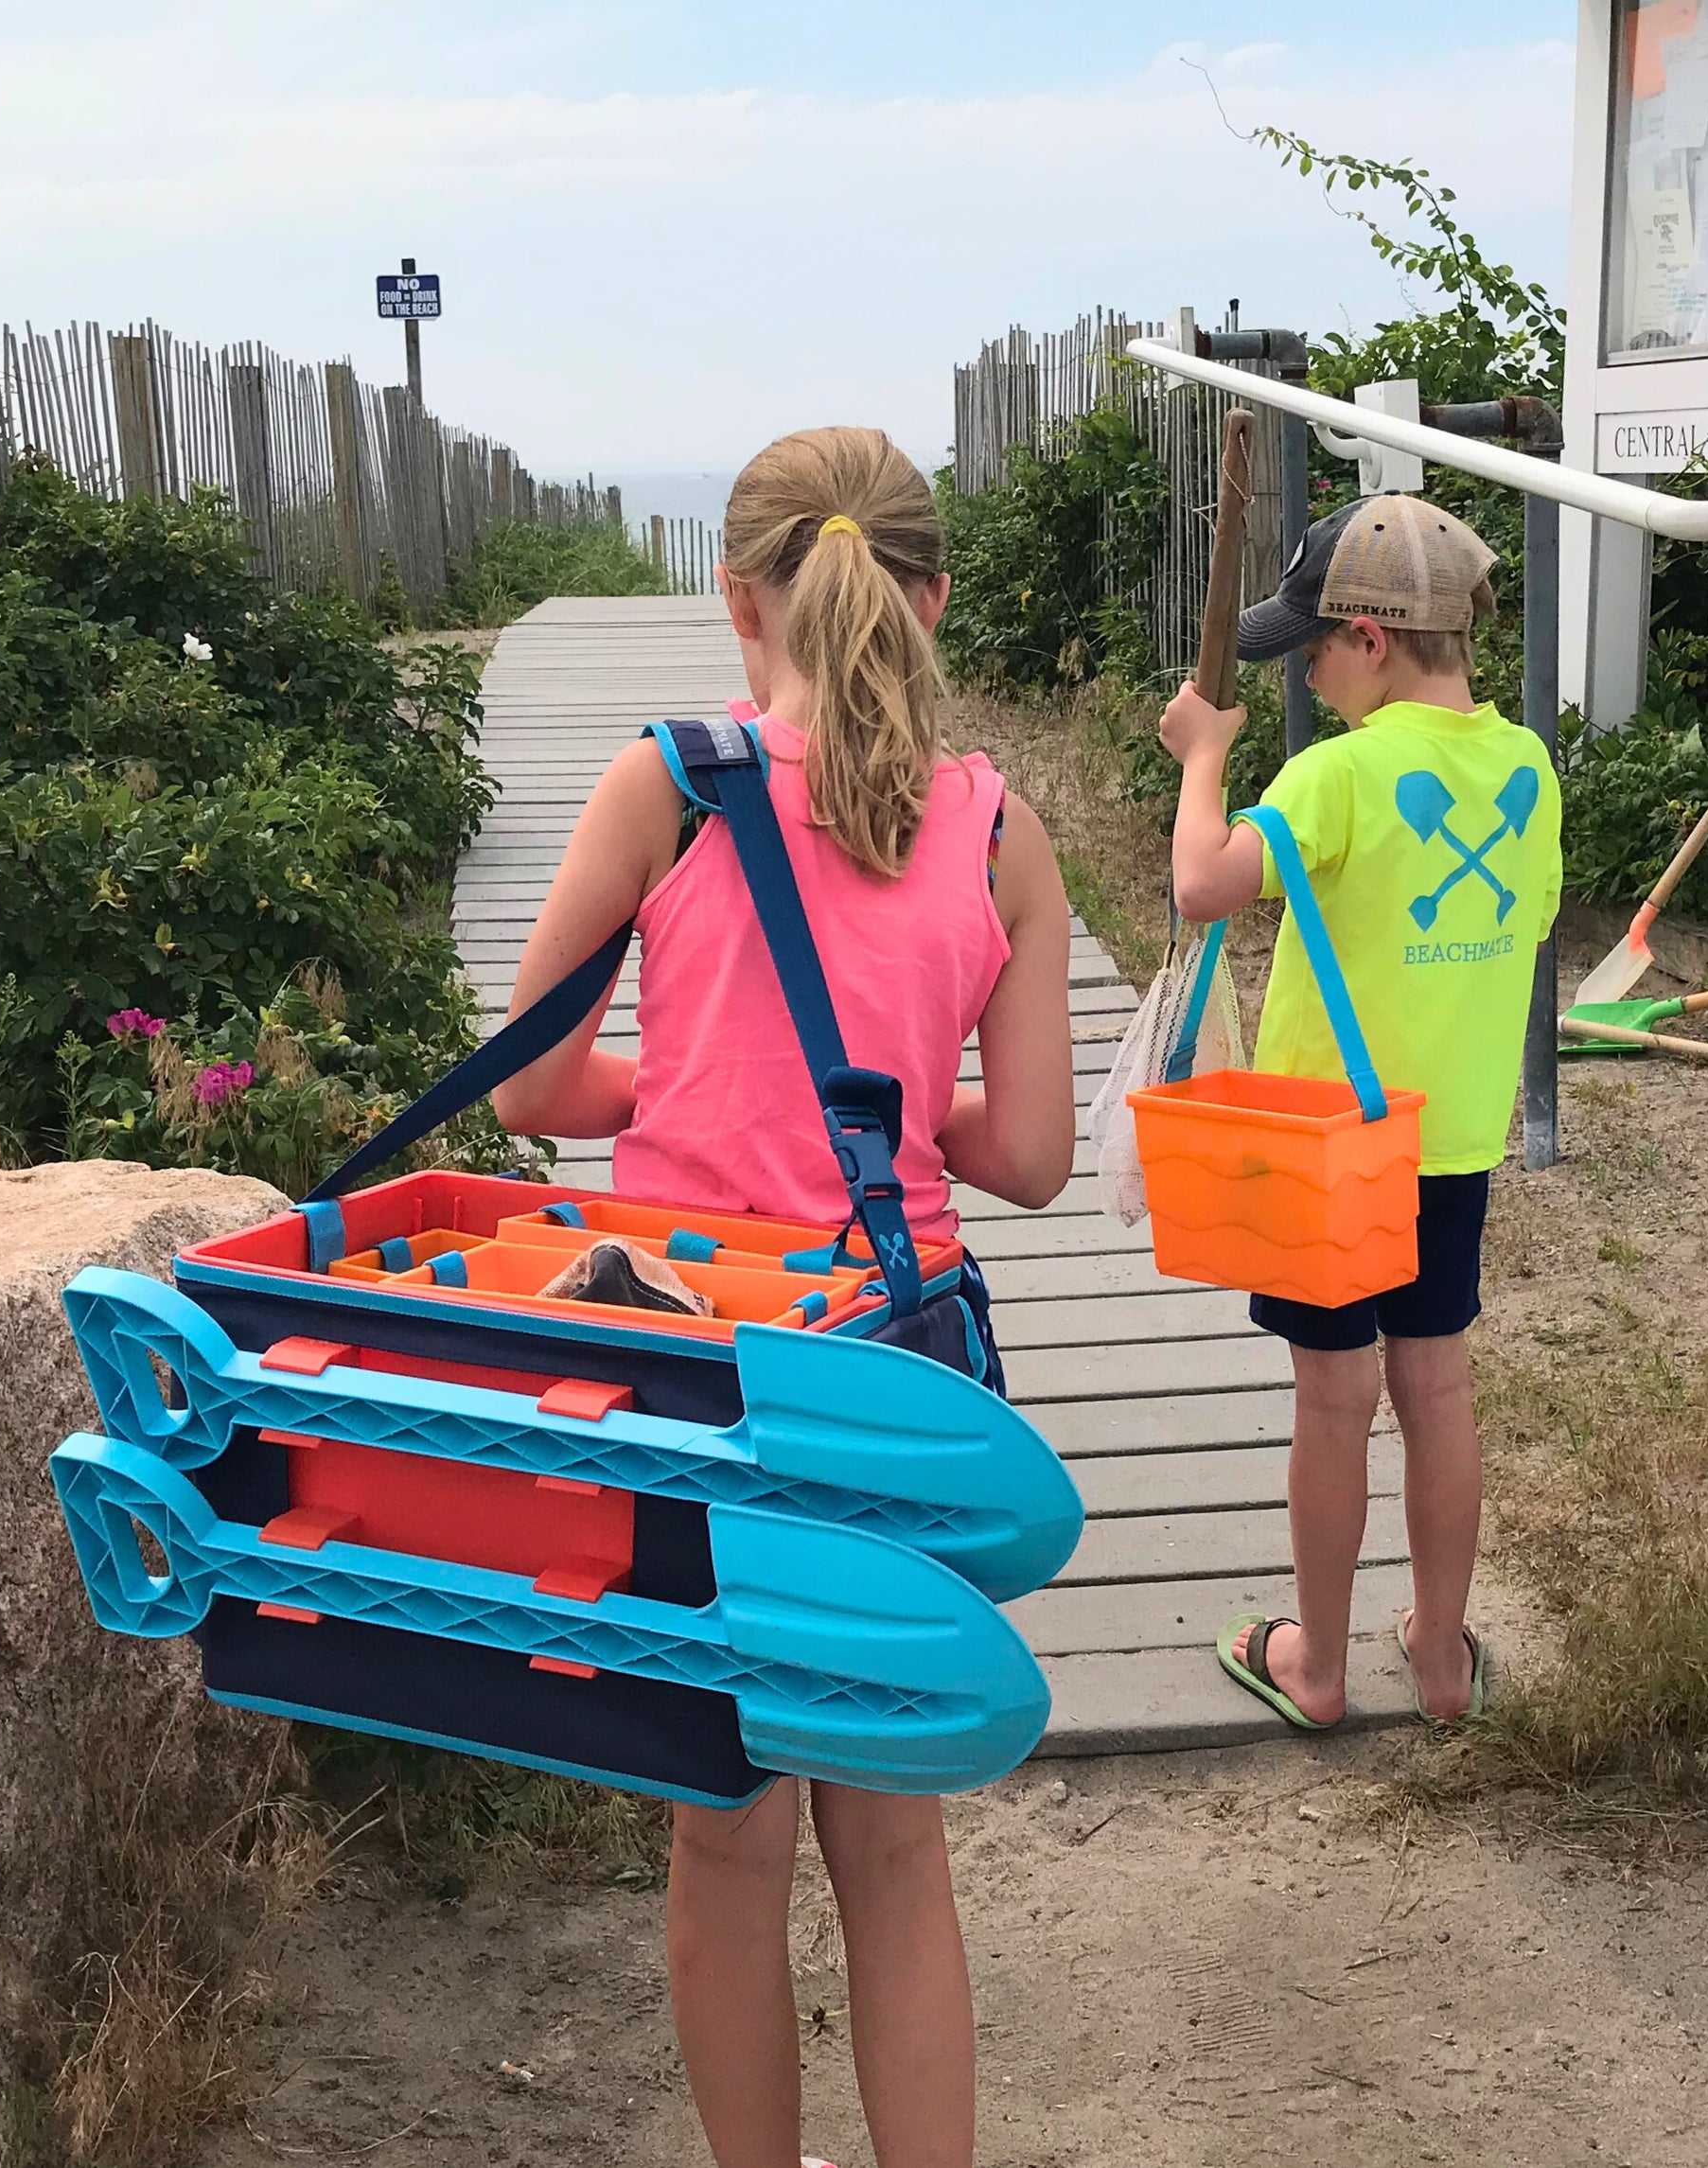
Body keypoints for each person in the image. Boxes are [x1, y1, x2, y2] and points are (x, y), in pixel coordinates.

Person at [492, 426, 1076, 2168]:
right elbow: (1034, 1157)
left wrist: (674, 1106)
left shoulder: (667, 781)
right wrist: (892, 1115)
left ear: (738, 604)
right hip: (902, 1356)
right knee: (894, 1847)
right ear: (936, 597)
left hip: (699, 1356)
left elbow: (533, 1088)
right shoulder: (997, 829)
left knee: (723, 1841)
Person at [1156, 493, 1562, 1730]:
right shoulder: (1529, 769)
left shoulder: (1338, 772)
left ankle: (1318, 1670)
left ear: (1375, 641)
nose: (1311, 672)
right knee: (1435, 1389)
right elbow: (1531, 922)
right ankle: (1441, 1661)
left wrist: (1205, 759)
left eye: (1315, 648)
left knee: (1333, 1400)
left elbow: (1198, 884)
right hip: (1447, 1144)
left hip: (1326, 1151)